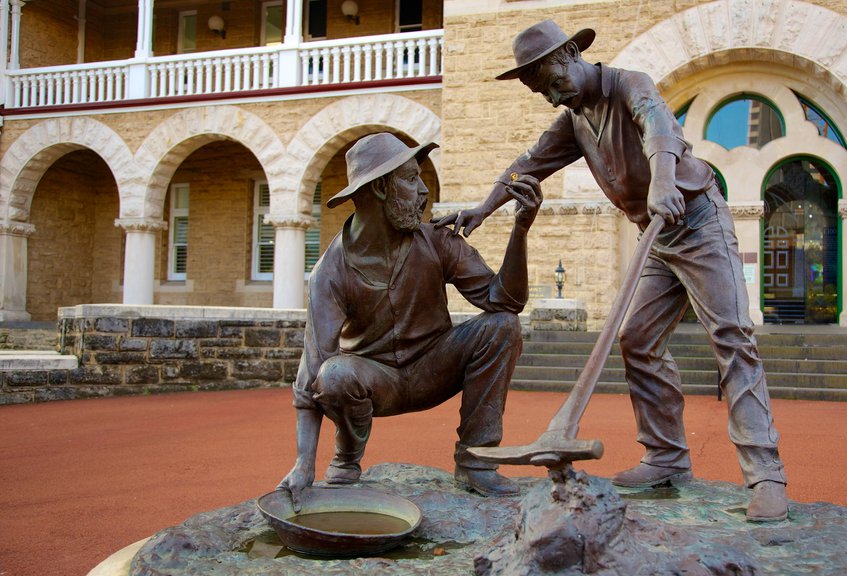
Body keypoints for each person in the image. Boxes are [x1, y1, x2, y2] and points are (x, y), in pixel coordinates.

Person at [436, 20, 788, 521]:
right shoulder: (575, 118)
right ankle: (666, 457)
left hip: (698, 221)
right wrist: (480, 209)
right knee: (637, 340)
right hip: (657, 236)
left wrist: (664, 180)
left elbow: (659, 127)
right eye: (540, 92)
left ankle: (766, 475)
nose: (552, 98)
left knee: (732, 337)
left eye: (550, 83)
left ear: (571, 55)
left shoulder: (630, 83)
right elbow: (526, 165)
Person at [278, 132, 542, 507]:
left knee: (502, 327)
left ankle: (477, 460)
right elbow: (312, 374)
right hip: (374, 380)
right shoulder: (330, 272)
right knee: (333, 375)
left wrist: (520, 230)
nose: (422, 191)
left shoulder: (436, 240)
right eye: (411, 178)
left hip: (435, 368)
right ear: (382, 189)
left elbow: (506, 302)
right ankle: (346, 461)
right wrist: (304, 463)